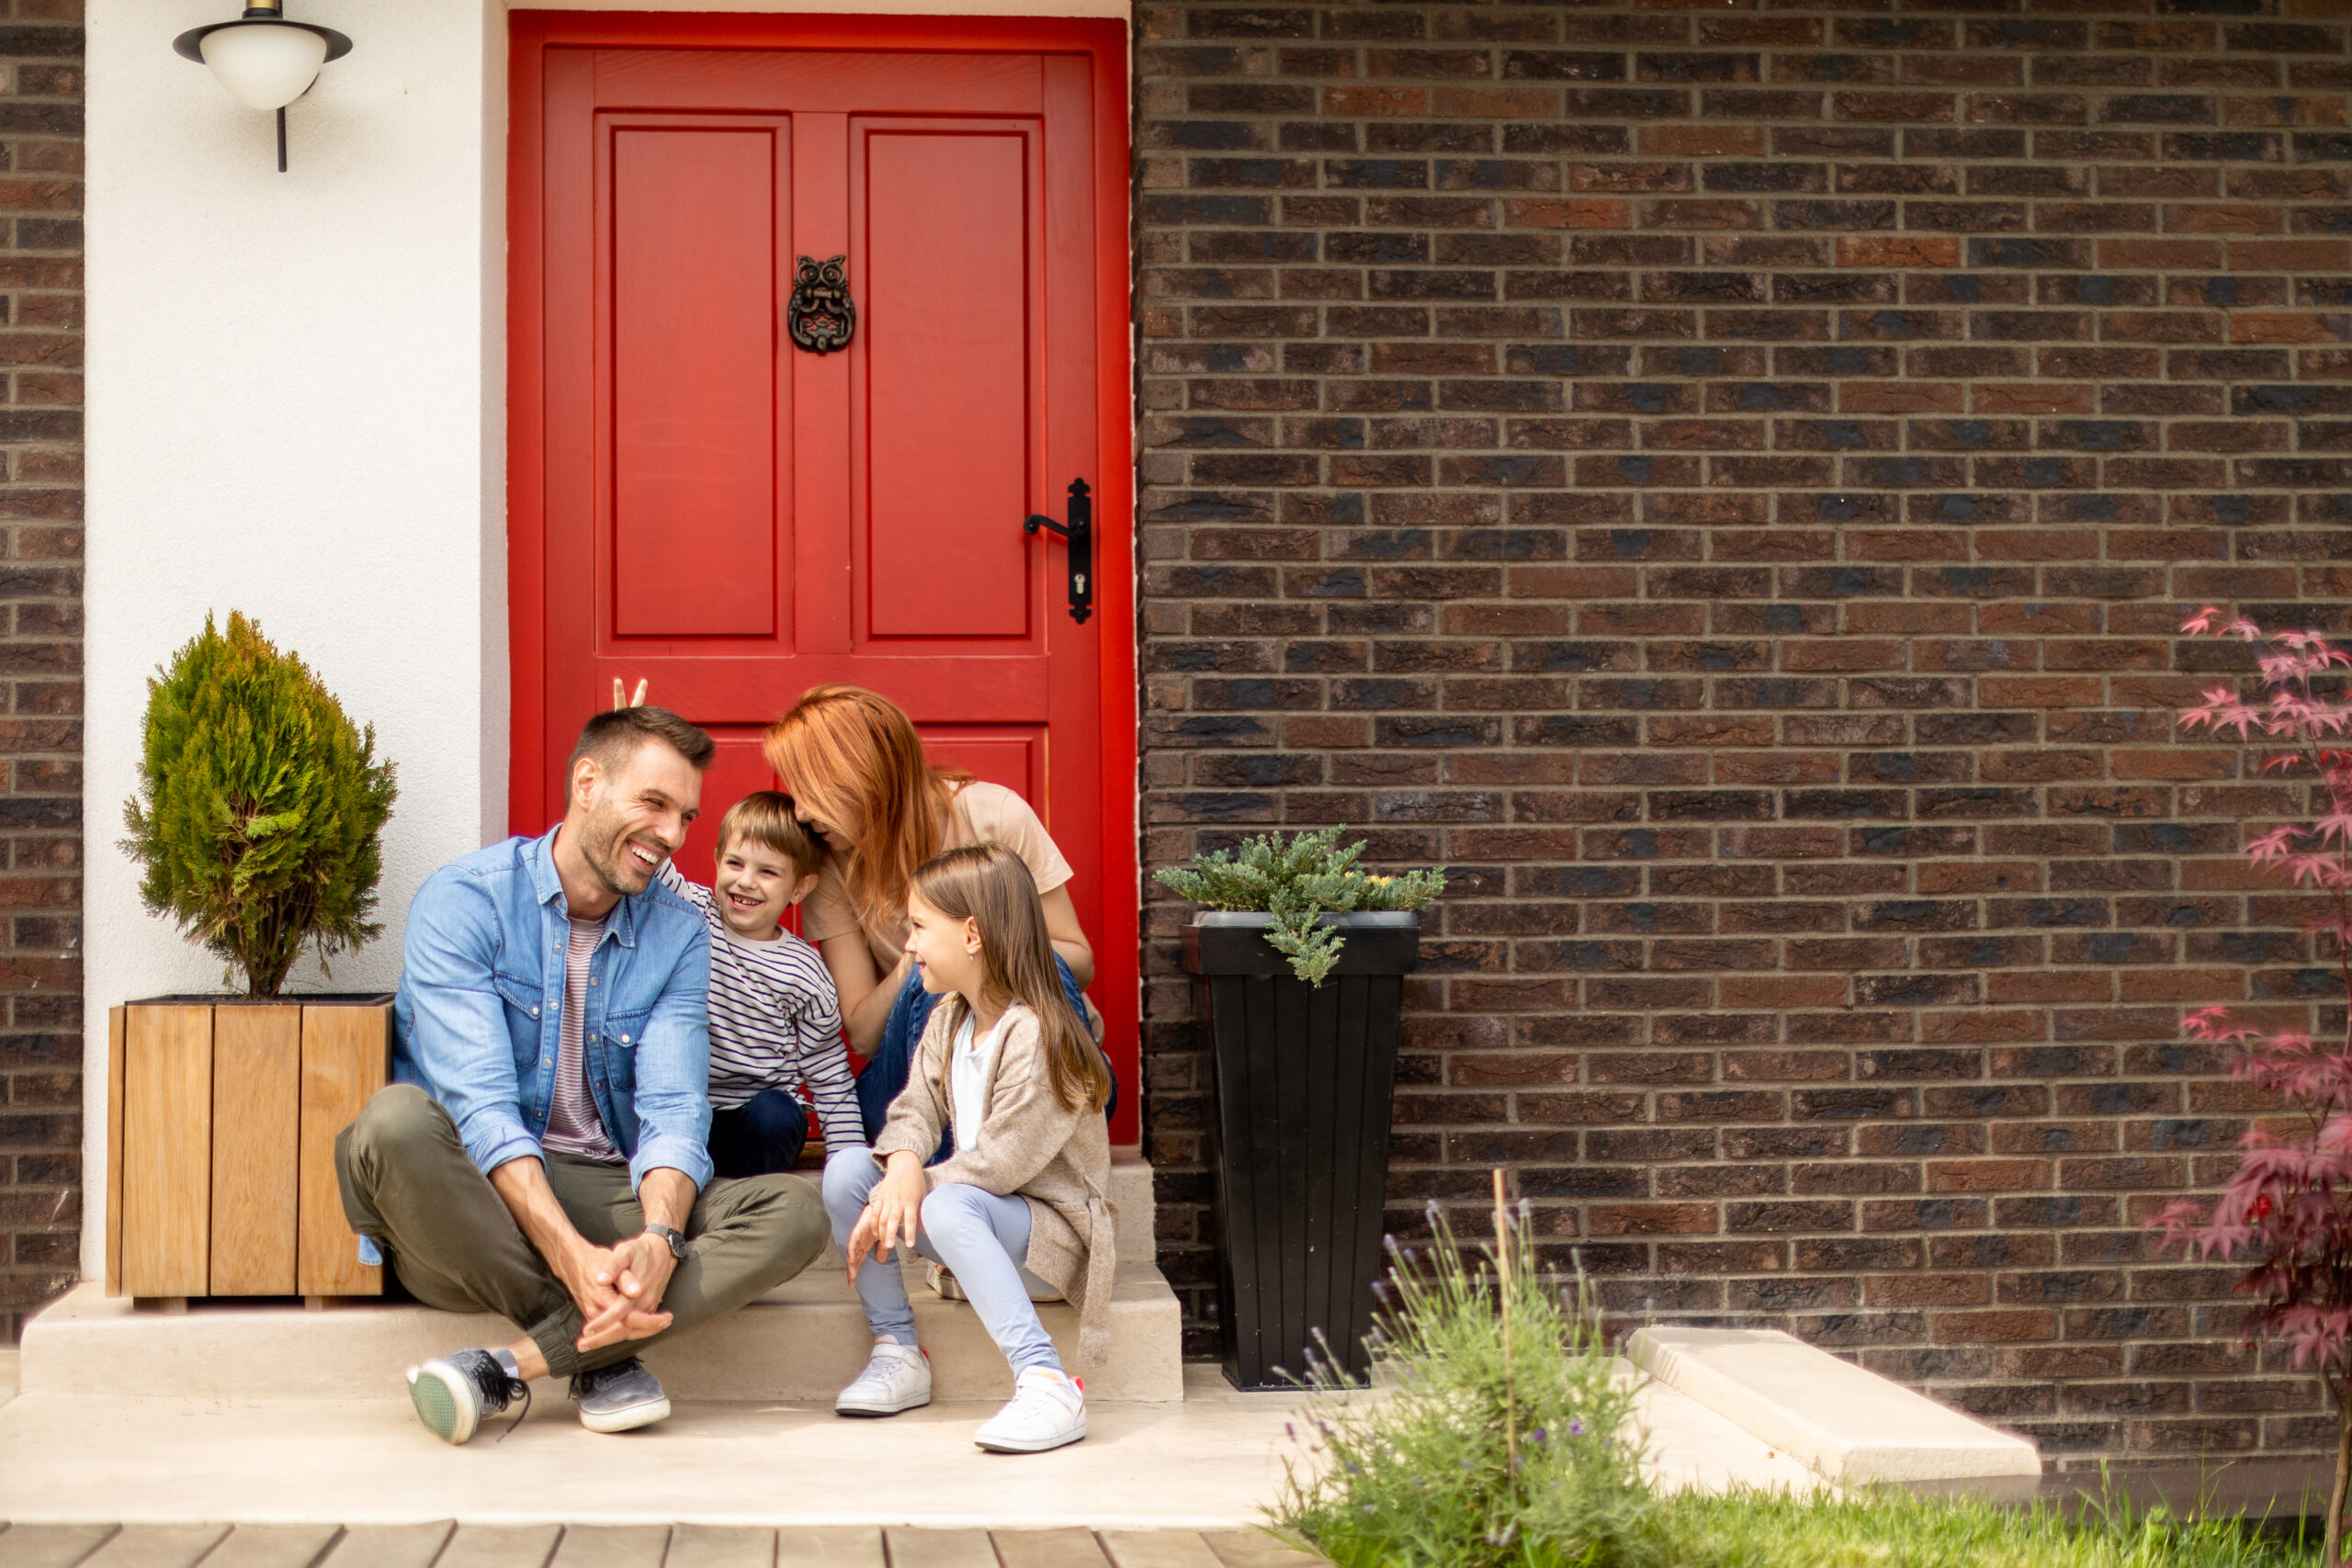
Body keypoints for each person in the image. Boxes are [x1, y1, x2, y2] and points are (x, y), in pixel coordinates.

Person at [334, 706, 830, 1446]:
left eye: (685, 816)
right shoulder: (466, 899)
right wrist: (572, 1256)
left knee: (795, 1213)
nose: (672, 835)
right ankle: (604, 1361)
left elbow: (671, 1107)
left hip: (597, 1184)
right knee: (392, 1123)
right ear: (587, 782)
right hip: (468, 1199)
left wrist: (660, 1236)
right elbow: (482, 1109)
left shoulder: (678, 928)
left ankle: (507, 1364)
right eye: (654, 804)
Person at [822, 843, 1117, 1453]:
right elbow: (913, 1110)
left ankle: (1047, 1381)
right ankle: (899, 1349)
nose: (909, 945)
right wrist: (903, 1163)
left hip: (1053, 1237)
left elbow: (1002, 1164)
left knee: (949, 1202)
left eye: (921, 927)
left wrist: (913, 1187)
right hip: (983, 1224)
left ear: (974, 934)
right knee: (850, 1171)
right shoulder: (949, 1018)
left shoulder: (1039, 1031)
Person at [763, 685, 1105, 1145]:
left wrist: (980, 942)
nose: (802, 812)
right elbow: (863, 1035)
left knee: (988, 963)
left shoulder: (992, 817)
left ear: (860, 774)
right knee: (936, 982)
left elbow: (1078, 962)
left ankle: (1003, 1174)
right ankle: (967, 1184)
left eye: (810, 791)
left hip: (1043, 1069)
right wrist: (920, 954)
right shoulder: (829, 864)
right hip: (911, 1085)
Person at [653, 790, 862, 1177]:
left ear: (799, 888)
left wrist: (848, 1165)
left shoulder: (804, 969)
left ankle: (754, 1196)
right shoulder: (691, 911)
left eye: (768, 872)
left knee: (777, 1115)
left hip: (756, 1120)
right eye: (735, 863)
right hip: (684, 1113)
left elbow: (829, 1071)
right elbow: (653, 862)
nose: (745, 881)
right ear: (717, 861)